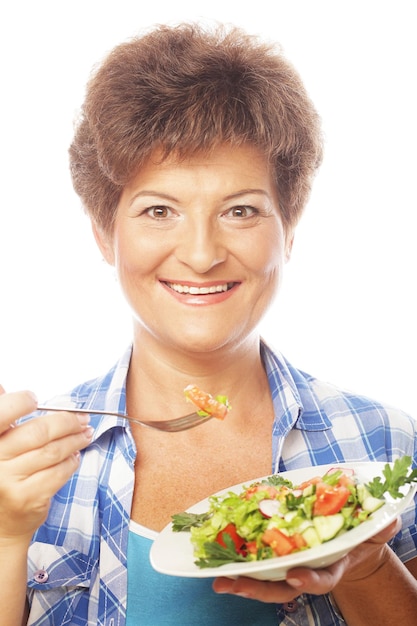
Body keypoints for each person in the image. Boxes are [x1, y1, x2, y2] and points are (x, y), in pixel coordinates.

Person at [0, 22, 416, 626]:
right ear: (103, 233)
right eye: (159, 210)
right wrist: (7, 537)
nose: (201, 253)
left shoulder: (383, 446)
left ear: (288, 232)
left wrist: (366, 562)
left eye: (241, 210)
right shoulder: (24, 466)